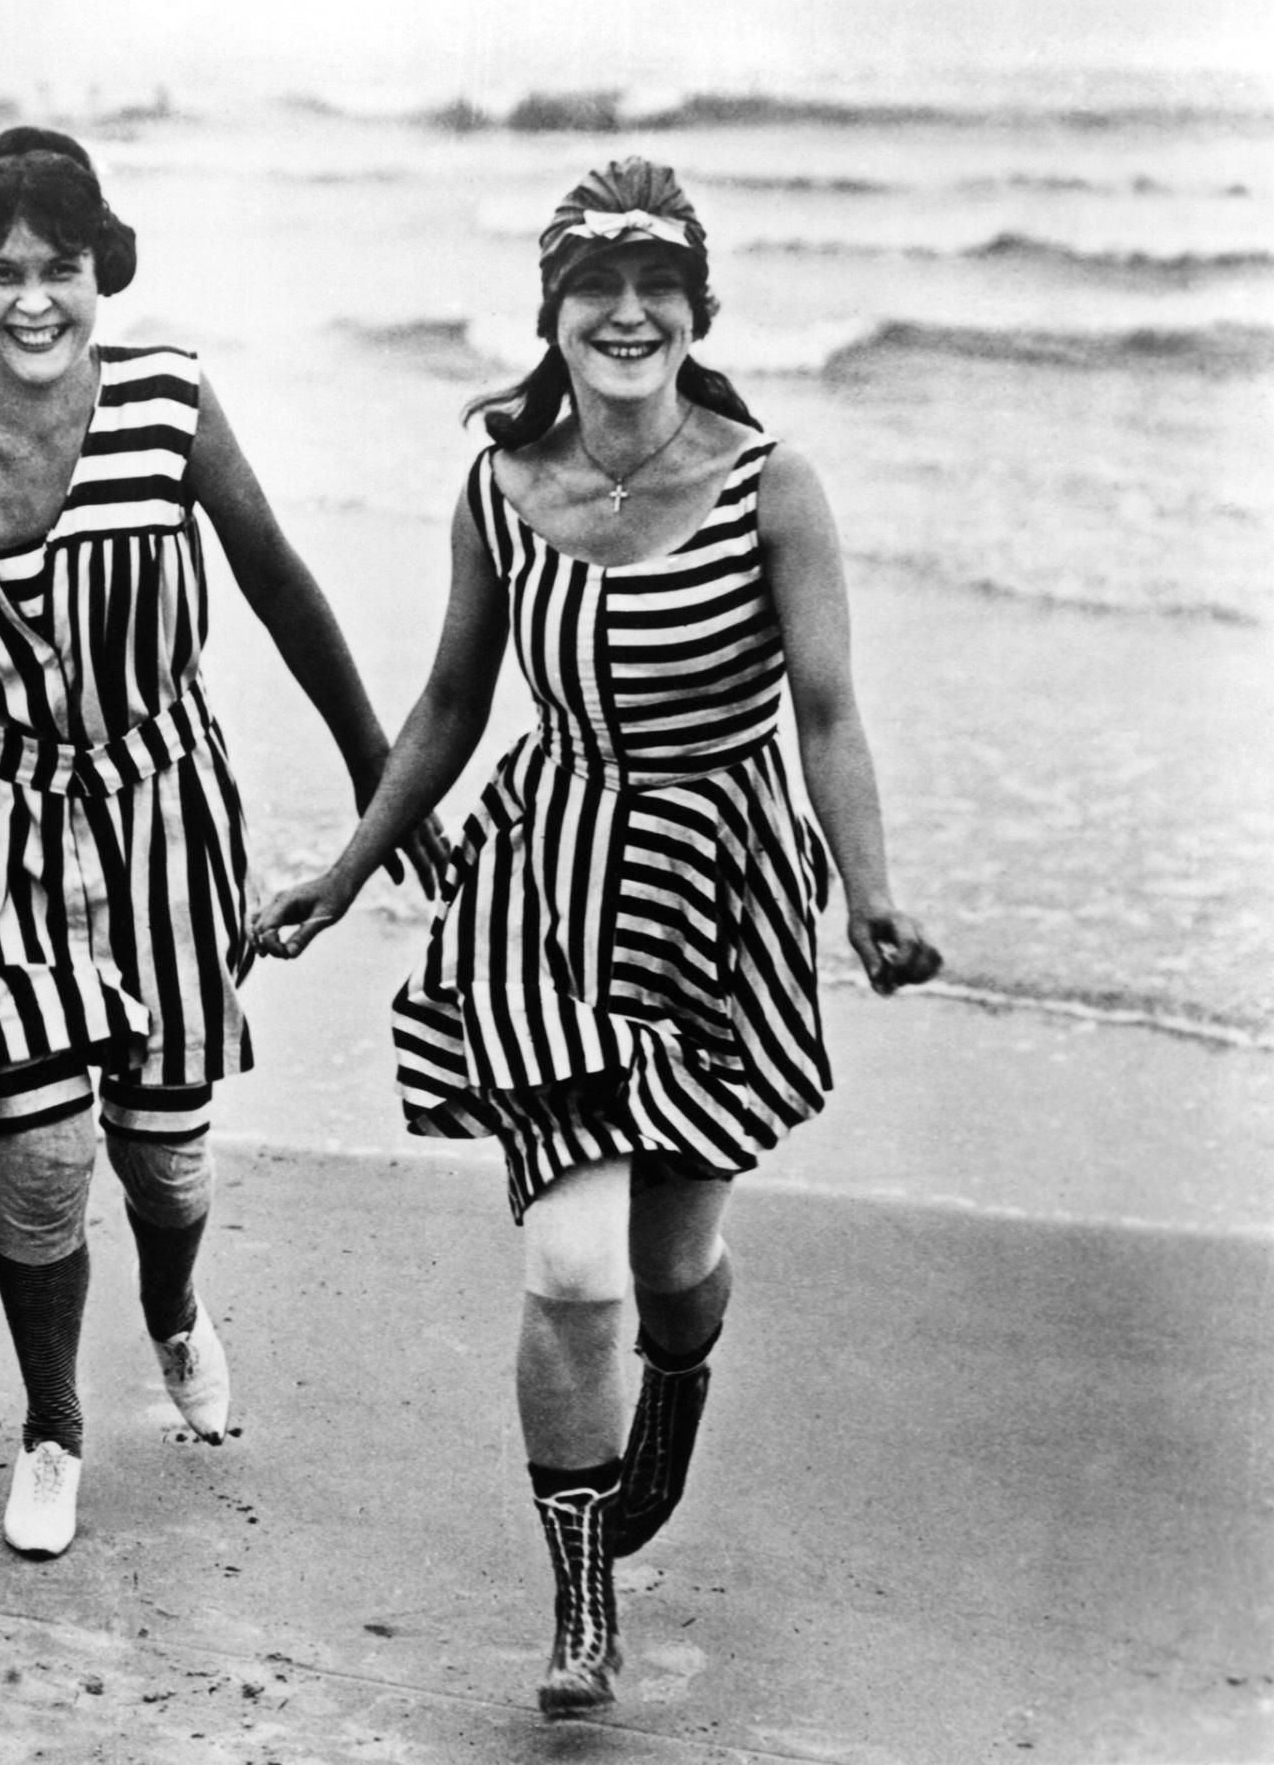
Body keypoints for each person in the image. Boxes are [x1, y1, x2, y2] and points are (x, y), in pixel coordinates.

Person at [253, 158, 941, 1715]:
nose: (627, 314)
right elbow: (446, 708)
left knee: (674, 1265)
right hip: (548, 887)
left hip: (720, 888)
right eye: (596, 289)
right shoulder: (503, 485)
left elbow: (828, 713)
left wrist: (873, 892)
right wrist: (346, 868)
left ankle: (681, 1382)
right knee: (573, 1275)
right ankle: (580, 1602)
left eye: (658, 287)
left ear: (699, 313)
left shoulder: (774, 482)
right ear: (553, 314)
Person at [0, 128, 444, 1558]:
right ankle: (54, 1426)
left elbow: (283, 590)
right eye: (4, 271)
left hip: (164, 816)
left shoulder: (172, 400)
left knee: (167, 1167)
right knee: (46, 1154)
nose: (34, 300)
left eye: (60, 266)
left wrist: (387, 788)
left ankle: (174, 1310)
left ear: (100, 268)